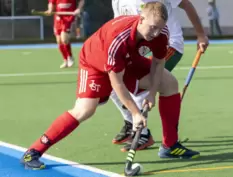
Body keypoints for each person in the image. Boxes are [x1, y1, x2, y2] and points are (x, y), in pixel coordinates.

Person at [21, 2, 200, 170]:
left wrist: (151, 94)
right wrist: (136, 114)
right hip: (94, 62)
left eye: (159, 28)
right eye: (152, 28)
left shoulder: (160, 33)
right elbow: (117, 82)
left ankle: (170, 145)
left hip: (128, 59)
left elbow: (158, 64)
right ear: (141, 18)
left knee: (169, 83)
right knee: (84, 110)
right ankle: (33, 152)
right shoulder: (118, 38)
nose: (155, 33)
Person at [111, 0, 209, 152]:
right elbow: (119, 23)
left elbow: (187, 5)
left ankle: (143, 135)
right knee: (112, 86)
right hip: (138, 49)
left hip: (169, 44)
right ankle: (130, 121)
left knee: (141, 85)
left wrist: (201, 35)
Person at [45, 0, 76, 68]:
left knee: (64, 39)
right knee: (59, 41)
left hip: (68, 17)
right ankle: (65, 60)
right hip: (58, 18)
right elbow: (51, 3)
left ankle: (70, 57)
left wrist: (79, 9)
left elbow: (81, 1)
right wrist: (50, 10)